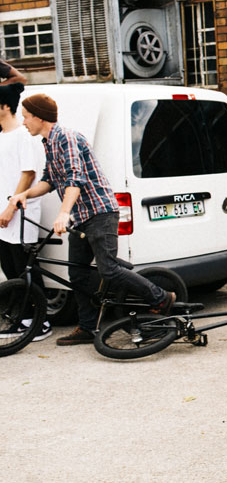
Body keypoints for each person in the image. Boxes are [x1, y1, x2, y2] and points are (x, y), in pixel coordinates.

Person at [10, 93, 175, 346]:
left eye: (26, 117)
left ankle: (160, 297)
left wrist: (63, 213)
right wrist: (24, 195)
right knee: (76, 275)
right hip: (82, 217)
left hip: (100, 212)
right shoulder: (48, 143)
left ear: (39, 117)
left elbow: (76, 179)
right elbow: (50, 180)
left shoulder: (67, 137)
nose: (23, 122)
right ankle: (87, 328)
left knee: (107, 268)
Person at [0, 82, 51, 341]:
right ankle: (25, 317)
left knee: (26, 268)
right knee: (10, 267)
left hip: (21, 213)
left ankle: (41, 322)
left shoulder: (22, 135)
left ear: (5, 106)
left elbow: (29, 173)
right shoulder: (2, 135)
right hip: (3, 214)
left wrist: (11, 207)